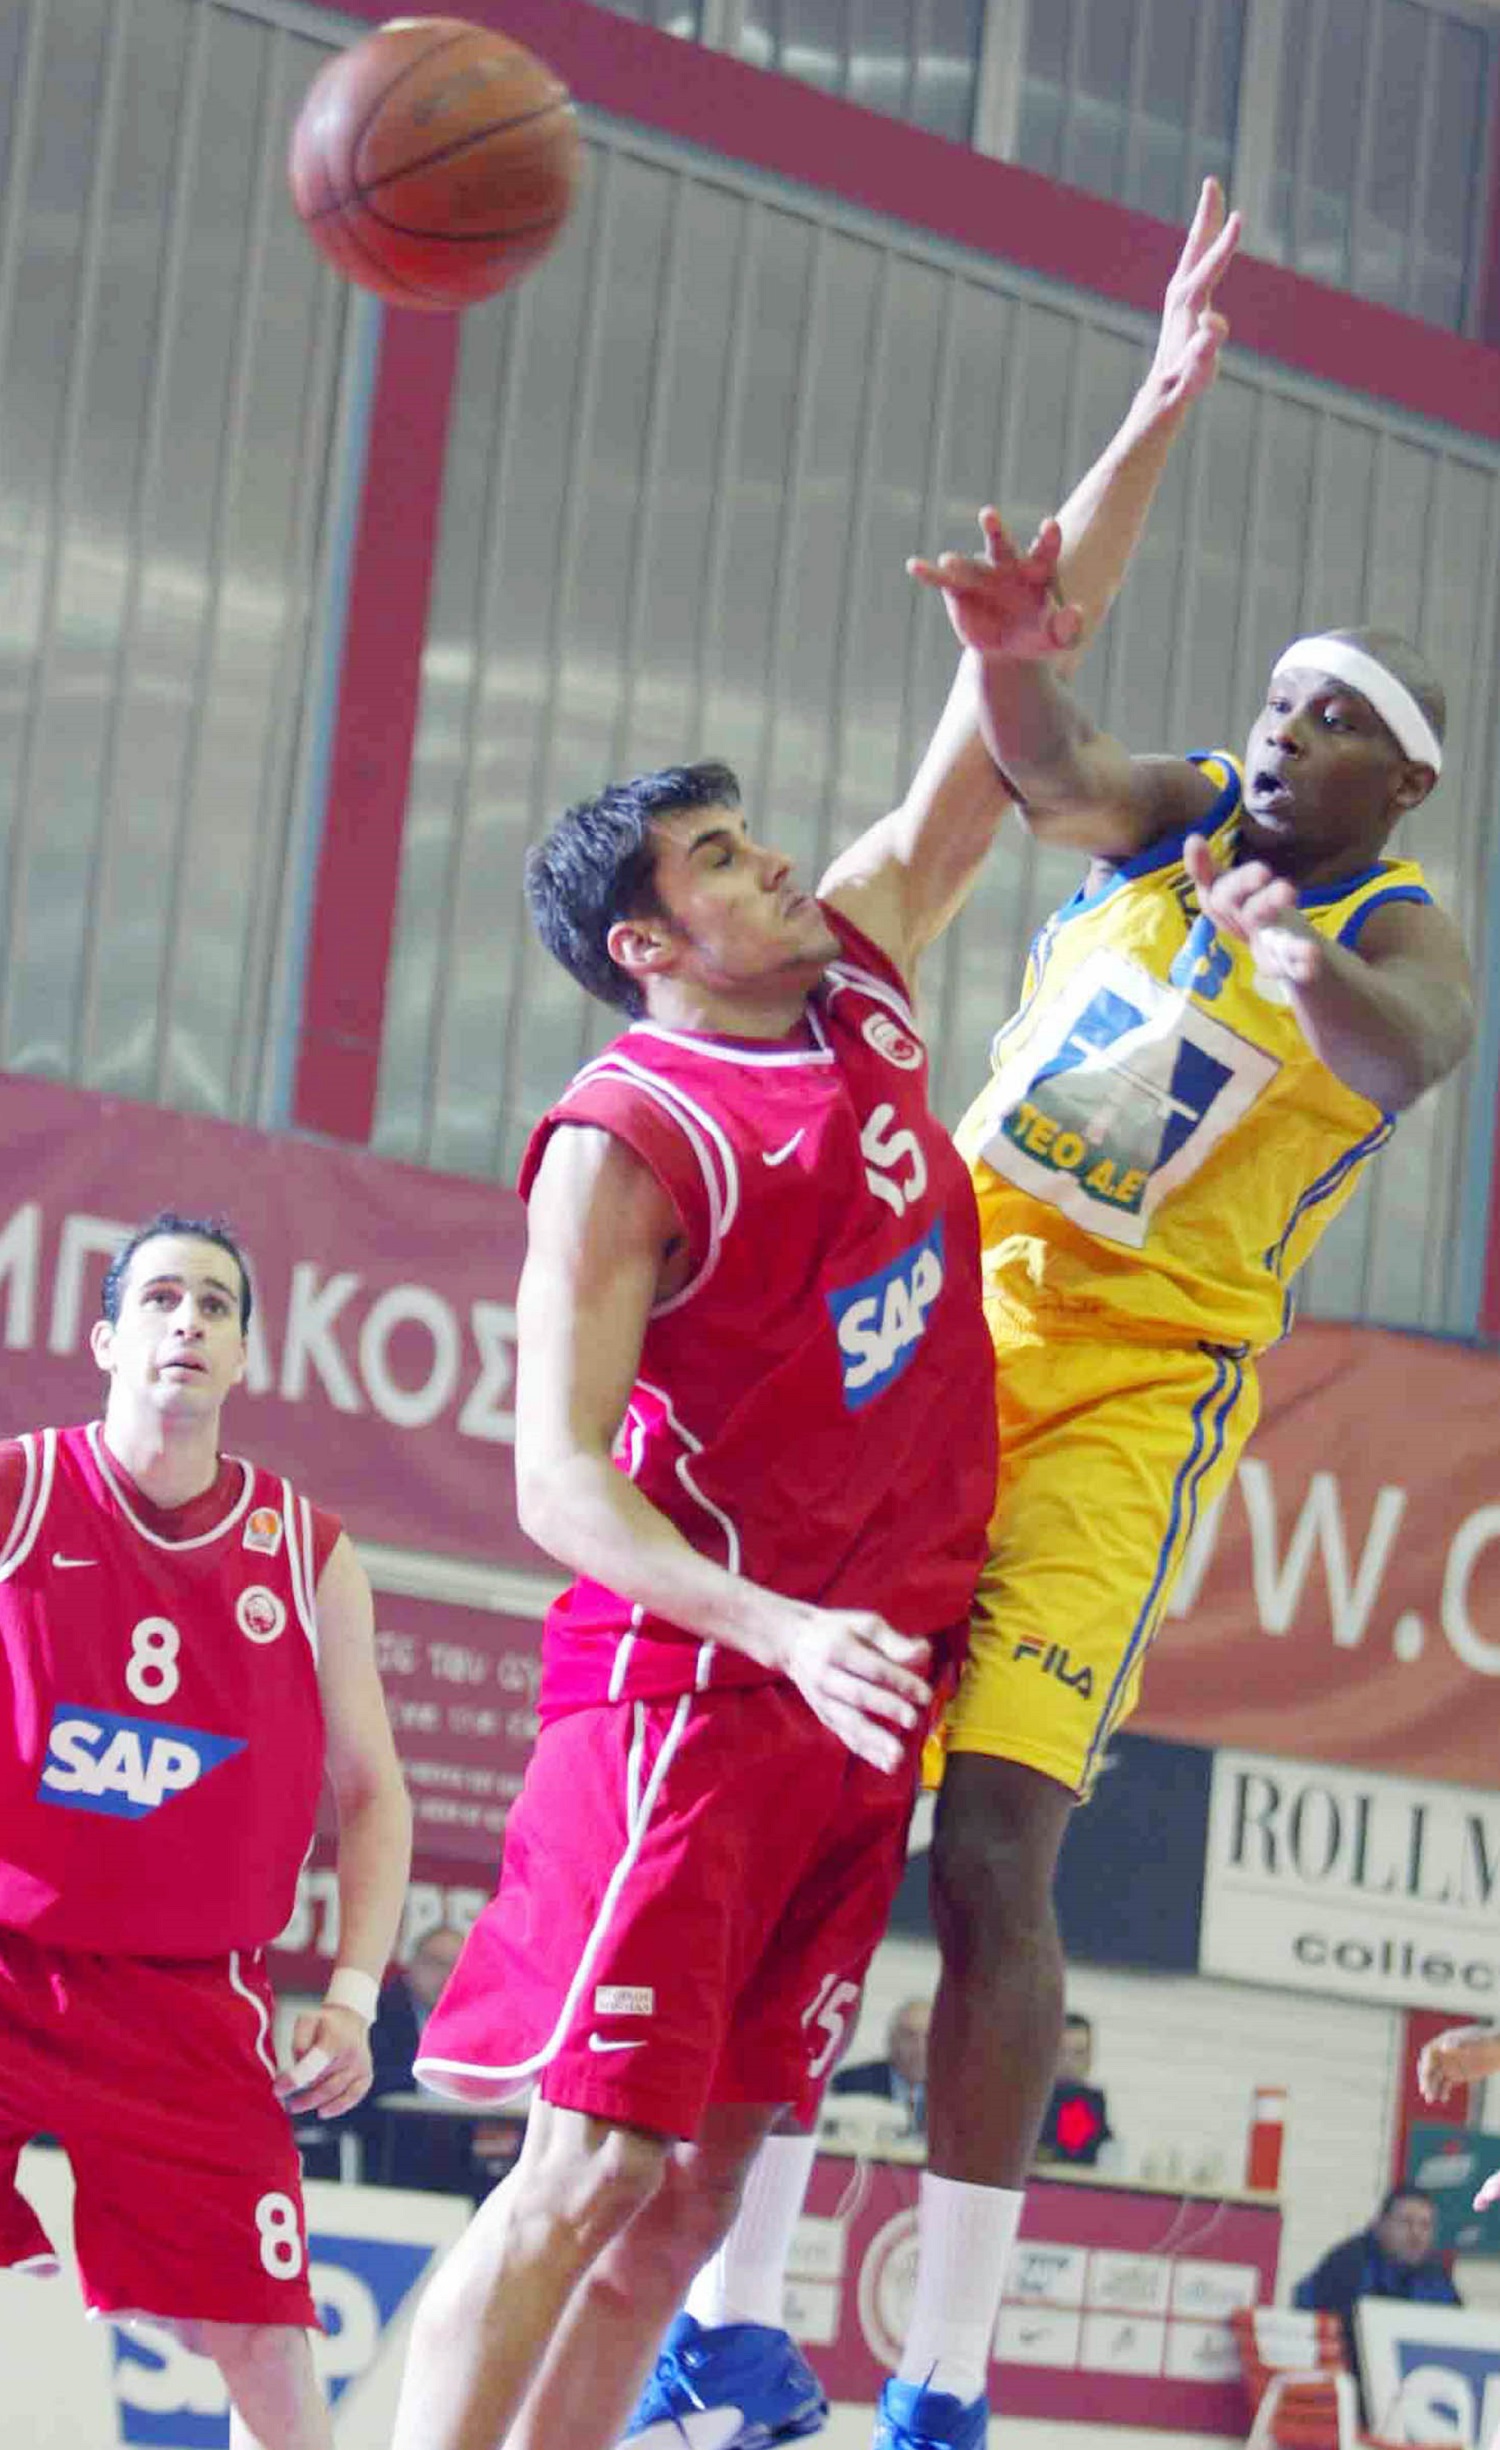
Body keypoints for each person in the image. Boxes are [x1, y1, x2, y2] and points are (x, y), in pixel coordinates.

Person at [388, 184, 1242, 2450]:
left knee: (687, 2202)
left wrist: (1153, 409)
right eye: (717, 863)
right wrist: (771, 1629)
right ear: (646, 949)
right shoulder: (625, 1139)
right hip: (698, 1690)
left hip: (867, 1684)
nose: (770, 862)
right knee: (585, 2171)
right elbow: (551, 1483)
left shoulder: (857, 973)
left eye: (753, 837)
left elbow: (1007, 676)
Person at [646, 226, 1476, 2450]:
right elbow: (1054, 767)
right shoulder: (1189, 811)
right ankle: (735, 2325)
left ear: (1403, 785)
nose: (1288, 730)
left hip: (1123, 1399)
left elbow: (1412, 1049)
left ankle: (942, 2375)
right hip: (937, 1329)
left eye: (1340, 722)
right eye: (1284, 698)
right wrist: (1008, 658)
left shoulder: (1398, 926)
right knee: (817, 1816)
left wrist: (1297, 968)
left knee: (993, 1849)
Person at [0, 1212, 412, 2450]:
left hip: (188, 1996)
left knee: (263, 2343)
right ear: (105, 1338)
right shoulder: (19, 1490)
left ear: (242, 1355)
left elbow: (374, 1791)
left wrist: (353, 1994)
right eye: (163, 1297)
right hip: (10, 1959)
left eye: (217, 1305)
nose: (189, 1320)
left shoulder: (309, 1553)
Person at [1293, 2187, 1459, 2417]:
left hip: (1415, 2394)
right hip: (1344, 2394)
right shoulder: (1349, 2264)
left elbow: (1457, 2331)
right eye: (1406, 2223)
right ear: (1380, 2224)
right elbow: (1345, 2345)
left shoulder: (1435, 2274)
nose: (1416, 2234)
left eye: (1425, 2225)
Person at [830, 1997, 931, 2136]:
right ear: (891, 2040)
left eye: (929, 2037)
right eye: (909, 2036)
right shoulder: (851, 2082)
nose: (920, 2047)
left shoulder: (954, 2093)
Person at [1035, 2008, 1113, 2169]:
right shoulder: (1031, 2099)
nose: (1068, 2062)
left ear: (1090, 2058)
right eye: (1061, 2052)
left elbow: (1078, 2155)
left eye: (1078, 2054)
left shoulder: (1092, 2100)